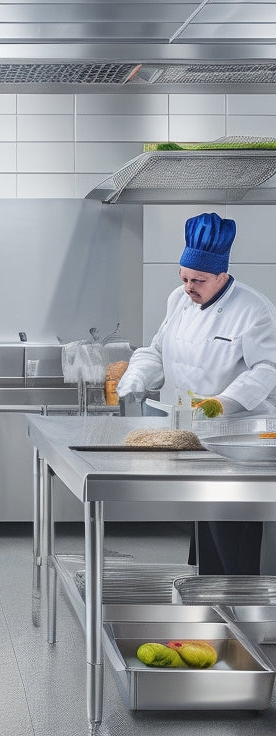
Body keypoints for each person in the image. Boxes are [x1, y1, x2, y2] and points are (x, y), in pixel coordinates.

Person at [116, 211, 276, 575]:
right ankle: (210, 598)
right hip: (197, 432)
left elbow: (268, 369)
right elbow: (156, 350)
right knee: (205, 518)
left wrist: (224, 402)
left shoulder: (254, 310)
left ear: (222, 275)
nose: (189, 287)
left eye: (198, 280)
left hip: (241, 434)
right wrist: (135, 377)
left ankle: (238, 604)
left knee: (230, 524)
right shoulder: (179, 300)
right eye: (184, 277)